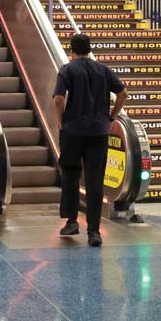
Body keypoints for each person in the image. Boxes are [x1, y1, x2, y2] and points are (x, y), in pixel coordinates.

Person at [53, 33, 129, 247]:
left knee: (70, 175)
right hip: (98, 132)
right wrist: (112, 116)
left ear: (72, 51)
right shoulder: (103, 70)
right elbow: (123, 93)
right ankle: (94, 231)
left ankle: (71, 222)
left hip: (73, 131)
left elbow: (58, 99)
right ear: (89, 49)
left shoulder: (67, 70)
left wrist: (61, 123)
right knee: (95, 181)